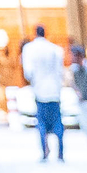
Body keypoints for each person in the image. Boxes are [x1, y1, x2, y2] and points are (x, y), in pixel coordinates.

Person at [20, 24, 66, 162]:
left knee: (41, 123)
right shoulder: (55, 49)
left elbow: (28, 73)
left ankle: (44, 151)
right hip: (54, 90)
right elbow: (60, 71)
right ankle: (60, 152)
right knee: (58, 122)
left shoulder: (29, 49)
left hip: (40, 90)